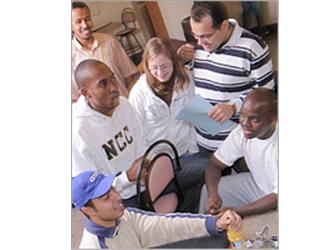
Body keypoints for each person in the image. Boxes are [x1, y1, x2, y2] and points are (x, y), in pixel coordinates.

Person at [177, 2, 275, 158]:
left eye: (205, 36)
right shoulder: (202, 45)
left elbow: (267, 95)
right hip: (203, 141)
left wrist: (233, 107)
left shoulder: (253, 47)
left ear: (223, 25)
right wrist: (185, 60)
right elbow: (207, 75)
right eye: (195, 36)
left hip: (237, 146)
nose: (200, 43)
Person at [128, 37, 208, 212]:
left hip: (186, 153)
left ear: (173, 61)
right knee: (205, 172)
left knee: (208, 169)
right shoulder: (139, 93)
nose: (160, 72)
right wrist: (149, 167)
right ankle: (187, 214)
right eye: (154, 67)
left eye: (164, 66)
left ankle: (189, 213)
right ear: (147, 67)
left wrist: (195, 149)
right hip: (158, 162)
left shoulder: (186, 79)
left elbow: (198, 117)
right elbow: (136, 134)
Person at [72, 170, 242, 249]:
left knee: (218, 239)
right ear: (88, 210)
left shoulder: (125, 217)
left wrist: (215, 223)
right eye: (106, 198)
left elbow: (165, 225)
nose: (117, 197)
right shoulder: (96, 246)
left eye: (113, 190)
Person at [72, 59, 146, 207]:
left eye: (113, 78)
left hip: (146, 183)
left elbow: (141, 141)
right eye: (103, 84)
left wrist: (146, 165)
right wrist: (127, 177)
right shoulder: (78, 132)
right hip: (118, 202)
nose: (113, 87)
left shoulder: (123, 104)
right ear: (85, 93)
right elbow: (90, 190)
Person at [199, 88, 278, 218]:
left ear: (273, 119)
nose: (245, 123)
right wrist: (213, 195)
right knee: (209, 190)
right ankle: (204, 232)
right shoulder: (241, 132)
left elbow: (277, 197)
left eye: (254, 119)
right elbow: (214, 164)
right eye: (242, 115)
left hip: (276, 197)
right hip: (258, 185)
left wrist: (238, 211)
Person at [72, 1, 140, 101]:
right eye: (79, 21)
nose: (85, 25)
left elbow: (130, 75)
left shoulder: (109, 41)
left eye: (87, 19)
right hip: (98, 116)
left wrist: (130, 102)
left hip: (125, 106)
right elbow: (74, 98)